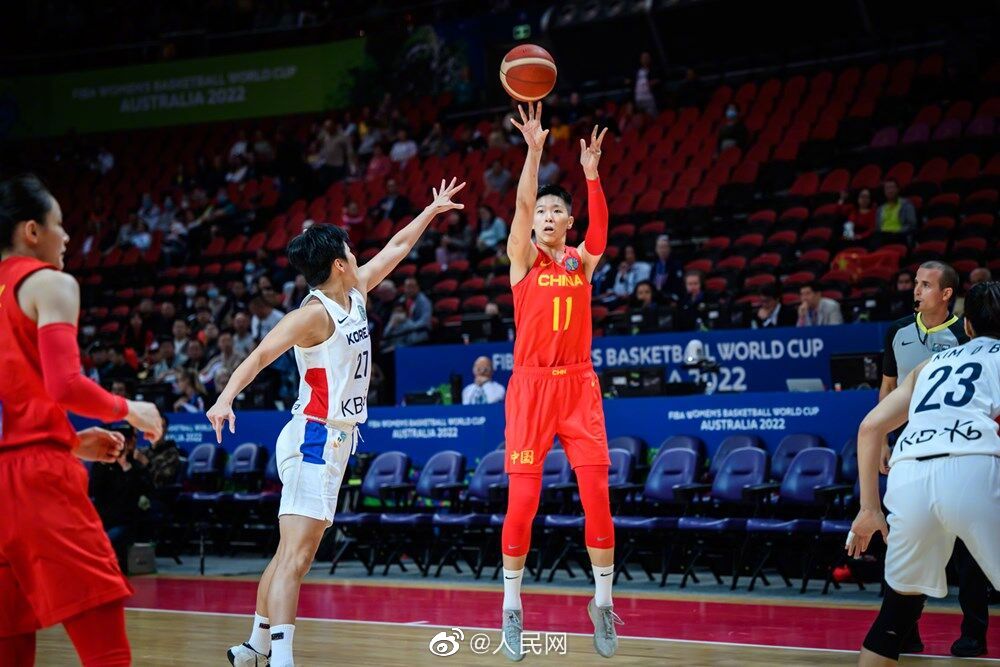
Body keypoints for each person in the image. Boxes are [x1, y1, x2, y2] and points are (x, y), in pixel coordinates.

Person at [209, 177, 465, 667]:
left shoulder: (356, 292)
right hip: (313, 435)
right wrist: (225, 398)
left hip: (335, 438)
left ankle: (255, 645)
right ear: (338, 264)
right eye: (349, 249)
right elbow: (260, 354)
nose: (356, 253)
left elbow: (397, 247)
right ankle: (281, 658)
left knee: (291, 553)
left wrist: (431, 211)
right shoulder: (312, 315)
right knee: (297, 557)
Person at [0, 173, 163, 666]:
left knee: (9, 642)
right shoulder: (49, 283)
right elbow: (65, 385)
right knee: (105, 648)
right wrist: (130, 408)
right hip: (37, 483)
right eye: (59, 224)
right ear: (32, 230)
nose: (67, 237)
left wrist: (68, 440)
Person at [501, 103, 621, 661]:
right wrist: (533, 151)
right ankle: (511, 606)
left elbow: (602, 231)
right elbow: (523, 203)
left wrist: (591, 174)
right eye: (543, 211)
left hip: (578, 387)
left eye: (557, 211)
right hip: (530, 389)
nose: (548, 216)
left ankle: (603, 603)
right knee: (523, 503)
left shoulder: (581, 262)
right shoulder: (522, 260)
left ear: (568, 222)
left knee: (597, 497)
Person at [847, 280, 1000, 666]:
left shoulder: (928, 366)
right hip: (974, 466)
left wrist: (869, 509)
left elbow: (870, 428)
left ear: (967, 326)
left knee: (896, 613)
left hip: (909, 474)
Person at [877, 260, 988, 656]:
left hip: (958, 449)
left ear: (946, 294)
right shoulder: (898, 331)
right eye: (916, 283)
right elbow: (888, 388)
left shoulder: (967, 335)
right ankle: (904, 632)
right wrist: (884, 439)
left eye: (926, 284)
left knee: (968, 550)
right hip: (910, 449)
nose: (916, 290)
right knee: (907, 541)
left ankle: (974, 632)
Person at [89, 424, 153, 568]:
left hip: (125, 519)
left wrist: (127, 470)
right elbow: (94, 489)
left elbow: (144, 490)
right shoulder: (102, 465)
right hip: (103, 517)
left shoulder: (136, 466)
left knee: (108, 540)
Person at [382, 277, 432, 349]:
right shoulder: (401, 300)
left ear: (418, 288)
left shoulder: (424, 302)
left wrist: (408, 326)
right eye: (407, 287)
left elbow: (424, 322)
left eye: (412, 287)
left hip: (419, 332)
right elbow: (394, 320)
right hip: (403, 334)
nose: (410, 290)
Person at [650, 234, 683, 298]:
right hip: (656, 296)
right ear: (656, 249)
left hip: (670, 296)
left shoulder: (676, 264)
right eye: (660, 247)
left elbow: (679, 284)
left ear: (669, 249)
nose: (663, 250)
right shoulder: (654, 265)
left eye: (665, 247)